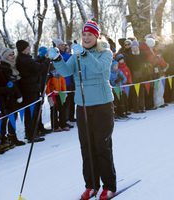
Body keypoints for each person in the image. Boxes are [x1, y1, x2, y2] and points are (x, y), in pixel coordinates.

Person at [48, 20, 116, 200]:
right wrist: (57, 59)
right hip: (83, 106)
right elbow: (65, 72)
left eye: (90, 35)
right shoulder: (77, 55)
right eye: (84, 35)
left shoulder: (105, 53)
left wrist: (85, 54)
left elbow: (100, 69)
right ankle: (91, 185)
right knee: (86, 147)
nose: (86, 38)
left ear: (96, 36)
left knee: (102, 145)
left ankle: (109, 185)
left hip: (102, 105)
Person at [15, 40, 46, 143]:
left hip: (30, 88)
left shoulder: (25, 58)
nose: (29, 48)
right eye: (27, 47)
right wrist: (46, 61)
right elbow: (37, 68)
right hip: (29, 89)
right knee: (31, 112)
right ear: (23, 48)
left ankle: (33, 132)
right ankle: (31, 134)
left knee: (33, 112)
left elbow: (36, 65)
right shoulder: (24, 60)